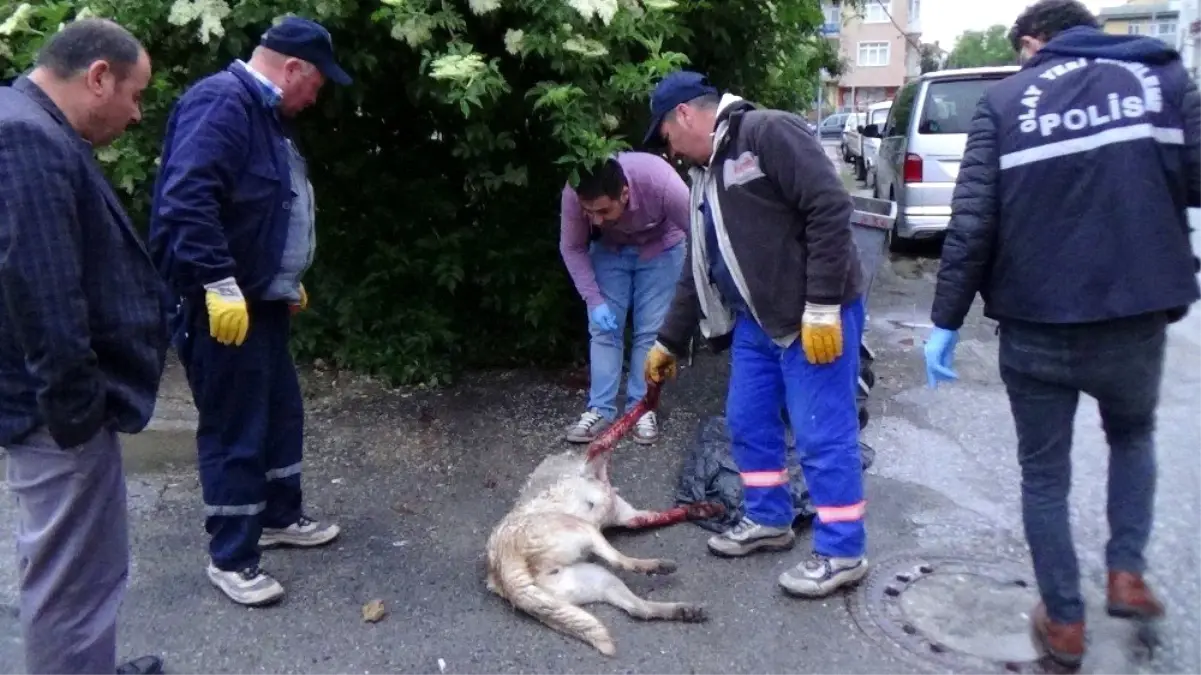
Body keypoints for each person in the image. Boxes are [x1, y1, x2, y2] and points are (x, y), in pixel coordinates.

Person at [923, 0, 1201, 666]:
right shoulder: (1161, 78)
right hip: (1133, 314)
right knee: (1130, 434)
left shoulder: (1006, 100)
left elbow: (971, 223)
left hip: (1036, 319)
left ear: (1031, 42)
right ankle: (1125, 570)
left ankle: (1066, 621)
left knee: (1043, 475)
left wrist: (944, 322)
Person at [148, 16, 352, 607]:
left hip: (261, 301)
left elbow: (265, 207)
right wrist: (218, 282)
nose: (318, 95)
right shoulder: (222, 103)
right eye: (317, 82)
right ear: (293, 68)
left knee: (280, 412)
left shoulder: (265, 116)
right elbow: (187, 201)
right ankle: (232, 556)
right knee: (237, 427)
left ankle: (278, 516)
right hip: (222, 306)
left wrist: (282, 278)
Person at [641, 70, 870, 598]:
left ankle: (842, 552)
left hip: (813, 319)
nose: (669, 151)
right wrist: (667, 342)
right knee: (746, 421)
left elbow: (831, 208)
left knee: (820, 433)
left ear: (685, 114)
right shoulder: (705, 177)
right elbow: (697, 269)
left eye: (667, 137)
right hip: (756, 323)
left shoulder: (765, 133)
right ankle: (770, 520)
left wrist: (820, 305)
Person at [0, 18, 168, 675]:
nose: (135, 114)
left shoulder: (27, 121)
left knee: (85, 563)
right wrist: (77, 412)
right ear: (98, 76)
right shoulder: (22, 137)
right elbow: (41, 291)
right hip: (55, 411)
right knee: (72, 576)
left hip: (54, 404)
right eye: (134, 95)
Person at [559, 153, 690, 444]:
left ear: (625, 194)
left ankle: (642, 408)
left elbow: (701, 231)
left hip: (662, 248)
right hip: (611, 249)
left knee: (650, 331)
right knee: (604, 329)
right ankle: (600, 409)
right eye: (588, 212)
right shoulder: (575, 190)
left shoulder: (663, 183)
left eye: (603, 211)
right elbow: (572, 248)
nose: (595, 219)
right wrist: (594, 300)